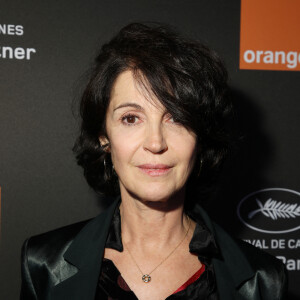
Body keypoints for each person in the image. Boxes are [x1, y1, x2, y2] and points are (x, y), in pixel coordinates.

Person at [20, 23, 287, 300]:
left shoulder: (262, 279)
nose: (156, 143)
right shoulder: (44, 263)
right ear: (103, 138)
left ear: (200, 136)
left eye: (177, 118)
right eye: (131, 118)